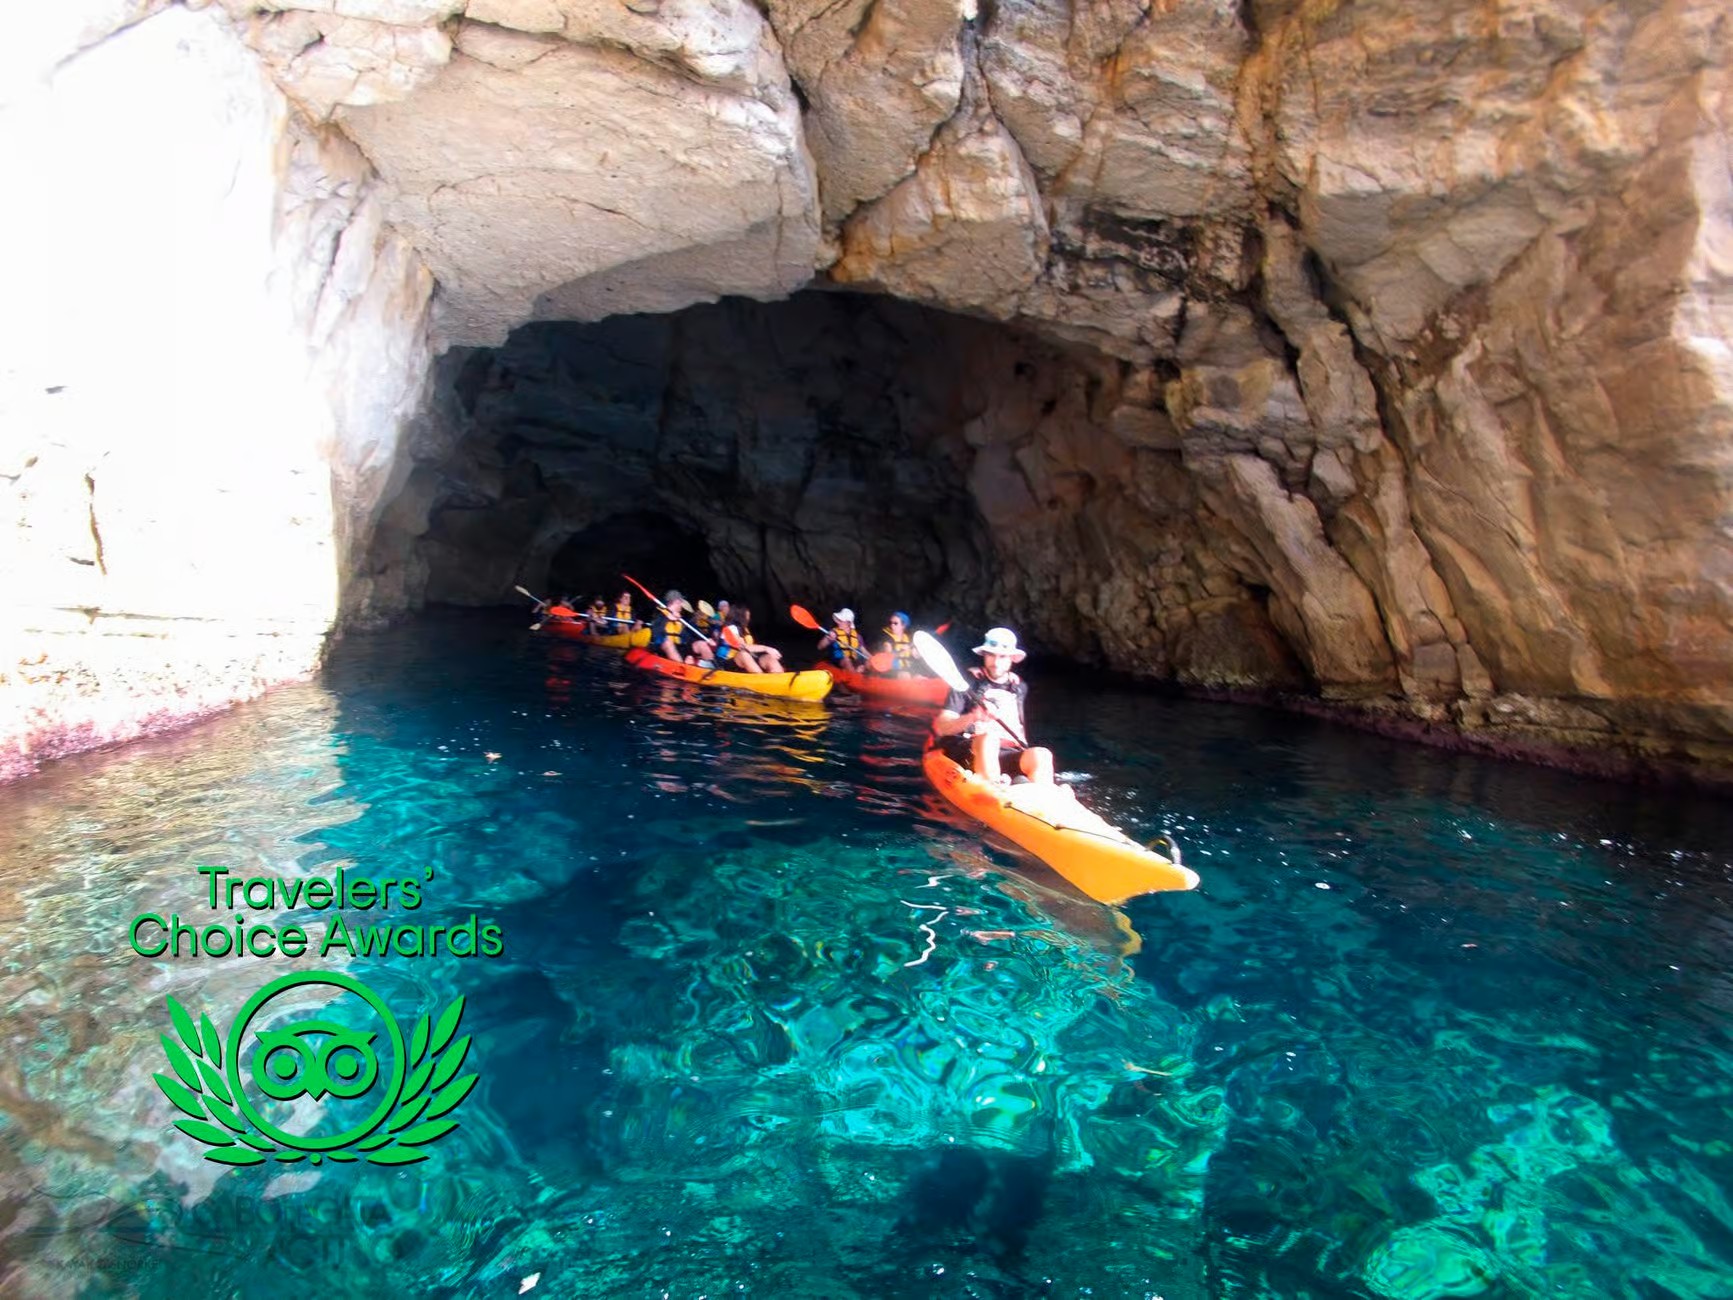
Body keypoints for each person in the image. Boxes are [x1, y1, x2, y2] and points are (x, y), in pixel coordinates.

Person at [931, 627, 1057, 788]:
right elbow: (942, 728)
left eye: (1002, 656)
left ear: (1012, 658)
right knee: (989, 739)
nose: (996, 662)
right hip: (971, 748)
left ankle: (1043, 801)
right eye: (991, 654)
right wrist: (974, 716)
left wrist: (1023, 749)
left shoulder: (1019, 687)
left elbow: (1019, 727)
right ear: (984, 655)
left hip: (1005, 751)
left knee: (1042, 754)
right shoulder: (967, 682)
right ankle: (992, 789)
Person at [731, 604, 784, 673]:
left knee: (770, 657)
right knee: (744, 654)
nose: (748, 618)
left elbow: (751, 646)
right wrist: (766, 648)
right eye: (747, 616)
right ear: (739, 616)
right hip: (734, 660)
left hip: (751, 656)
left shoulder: (744, 628)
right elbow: (743, 647)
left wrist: (766, 652)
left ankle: (779, 676)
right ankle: (762, 680)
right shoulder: (730, 628)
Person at [878, 611, 916, 677]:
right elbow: (888, 656)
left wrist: (916, 653)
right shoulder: (887, 639)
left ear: (903, 626)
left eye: (895, 623)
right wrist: (901, 650)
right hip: (892, 671)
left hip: (907, 669)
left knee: (919, 677)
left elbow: (915, 657)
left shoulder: (908, 638)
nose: (892, 625)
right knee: (905, 675)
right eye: (890, 623)